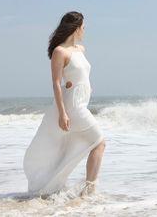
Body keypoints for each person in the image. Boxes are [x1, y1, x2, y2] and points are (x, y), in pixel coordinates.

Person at [23, 11, 106, 198]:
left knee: (76, 146)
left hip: (82, 103)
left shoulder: (81, 49)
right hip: (72, 106)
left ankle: (74, 189)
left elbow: (80, 76)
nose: (85, 30)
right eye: (83, 27)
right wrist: (62, 113)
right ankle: (89, 190)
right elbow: (56, 83)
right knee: (99, 142)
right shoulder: (60, 51)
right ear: (76, 28)